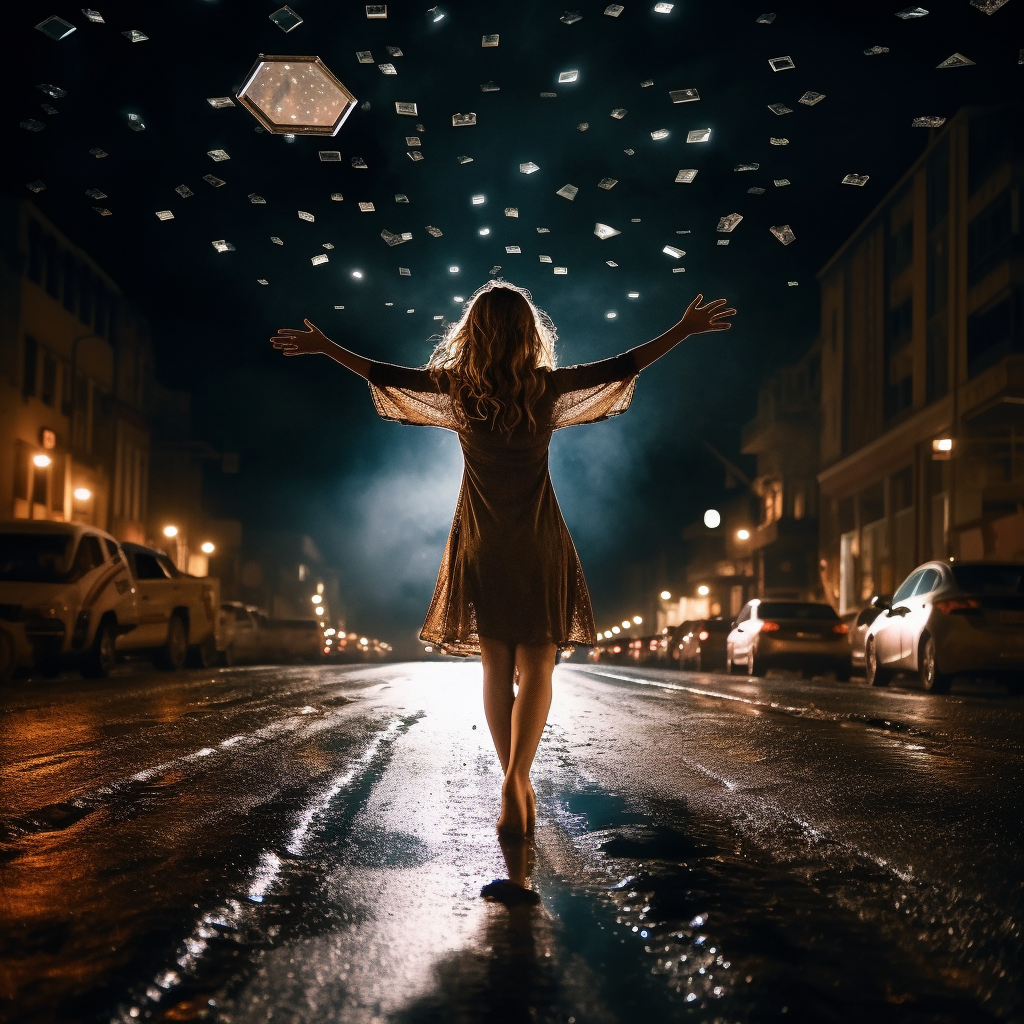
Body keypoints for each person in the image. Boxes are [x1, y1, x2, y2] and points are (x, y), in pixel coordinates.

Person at [271, 284, 734, 841]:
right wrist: (683, 330)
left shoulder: (459, 392)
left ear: (474, 333)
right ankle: (519, 777)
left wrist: (326, 346)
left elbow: (382, 374)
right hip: (540, 539)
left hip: (482, 541)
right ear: (528, 334)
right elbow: (626, 363)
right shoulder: (545, 389)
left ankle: (509, 781)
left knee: (495, 666)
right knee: (539, 663)